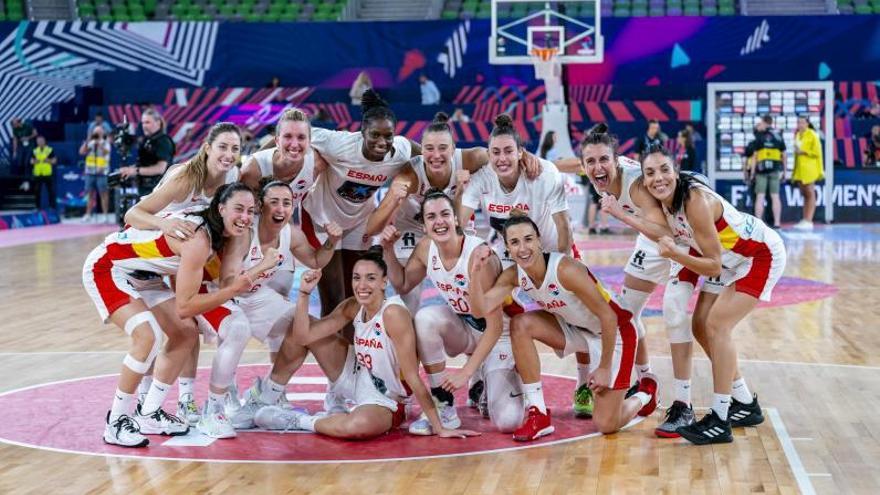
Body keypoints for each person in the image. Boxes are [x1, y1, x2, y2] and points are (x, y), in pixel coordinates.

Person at [82, 183, 277, 447]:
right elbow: (186, 306)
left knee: (185, 333)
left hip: (145, 276)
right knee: (146, 336)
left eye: (250, 211)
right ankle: (115, 422)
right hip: (108, 267)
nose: (244, 217)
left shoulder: (215, 225)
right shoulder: (198, 239)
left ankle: (149, 412)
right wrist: (234, 287)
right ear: (220, 208)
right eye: (238, 209)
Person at [635, 146, 786, 445]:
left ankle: (719, 418)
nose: (658, 177)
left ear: (676, 171)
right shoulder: (662, 197)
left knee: (717, 326)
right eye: (650, 172)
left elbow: (713, 264)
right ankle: (744, 403)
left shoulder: (695, 202)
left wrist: (676, 253)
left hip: (758, 255)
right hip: (730, 259)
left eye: (664, 169)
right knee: (700, 325)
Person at [254, 252, 481, 440]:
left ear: (384, 282)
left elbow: (412, 377)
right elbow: (303, 337)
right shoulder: (353, 306)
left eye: (370, 278)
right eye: (356, 278)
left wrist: (439, 427)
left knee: (357, 427)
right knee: (299, 326)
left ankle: (297, 420)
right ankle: (267, 397)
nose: (362, 285)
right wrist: (304, 293)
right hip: (355, 374)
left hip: (386, 397)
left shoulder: (393, 314)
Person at [468, 214, 658, 441]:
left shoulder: (565, 270)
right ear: (507, 247)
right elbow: (480, 310)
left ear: (539, 240)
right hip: (578, 328)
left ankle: (646, 390)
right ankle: (538, 413)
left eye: (528, 239)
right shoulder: (513, 275)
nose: (523, 248)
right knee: (521, 324)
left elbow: (608, 317)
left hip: (615, 331)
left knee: (606, 424)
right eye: (515, 242)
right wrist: (475, 274)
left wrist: (605, 368)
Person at [581, 124, 717, 437]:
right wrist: (529, 160)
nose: (596, 166)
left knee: (672, 310)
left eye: (604, 160)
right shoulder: (594, 165)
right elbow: (573, 163)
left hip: (681, 236)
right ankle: (646, 381)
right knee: (625, 312)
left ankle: (683, 402)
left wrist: (619, 215)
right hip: (650, 238)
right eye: (590, 161)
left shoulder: (636, 187)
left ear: (616, 160)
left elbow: (665, 233)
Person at [123, 122, 243, 427]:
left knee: (188, 327)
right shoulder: (185, 177)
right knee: (175, 328)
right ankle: (147, 401)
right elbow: (133, 215)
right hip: (149, 251)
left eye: (235, 148)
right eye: (223, 147)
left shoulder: (232, 178)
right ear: (207, 148)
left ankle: (186, 399)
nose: (229, 154)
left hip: (185, 253)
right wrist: (164, 225)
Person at [379, 190, 525, 434]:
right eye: (432, 217)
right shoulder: (426, 248)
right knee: (425, 319)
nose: (439, 222)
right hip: (467, 327)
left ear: (456, 219)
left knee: (509, 422)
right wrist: (388, 250)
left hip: (499, 335)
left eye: (445, 214)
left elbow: (496, 326)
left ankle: (486, 375)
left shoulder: (478, 256)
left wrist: (464, 373)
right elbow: (403, 284)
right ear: (424, 225)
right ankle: (443, 405)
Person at [364, 111, 539, 313]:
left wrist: (525, 155)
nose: (436, 155)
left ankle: (494, 310)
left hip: (454, 222)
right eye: (429, 149)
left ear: (454, 149)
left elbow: (505, 155)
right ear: (422, 151)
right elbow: (371, 228)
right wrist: (393, 199)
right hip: (413, 227)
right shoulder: (409, 176)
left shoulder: (472, 158)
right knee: (407, 293)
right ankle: (406, 329)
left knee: (475, 268)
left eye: (443, 148)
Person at [215, 180, 344, 429]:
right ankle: (223, 399)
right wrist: (262, 266)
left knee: (302, 326)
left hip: (255, 295)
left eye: (286, 203)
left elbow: (316, 260)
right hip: (226, 297)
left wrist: (331, 242)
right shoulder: (244, 233)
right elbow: (227, 283)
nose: (281, 208)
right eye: (274, 202)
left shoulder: (291, 234)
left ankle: (265, 397)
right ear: (261, 207)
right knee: (235, 331)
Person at [300, 90, 418, 318]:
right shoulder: (338, 143)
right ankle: (335, 352)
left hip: (359, 222)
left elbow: (426, 157)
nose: (382, 142)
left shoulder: (401, 149)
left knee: (355, 295)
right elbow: (292, 133)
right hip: (321, 218)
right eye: (375, 135)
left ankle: (355, 351)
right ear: (362, 132)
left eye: (388, 136)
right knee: (333, 296)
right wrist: (261, 163)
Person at [239, 108, 326, 211]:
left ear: (309, 141)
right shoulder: (253, 170)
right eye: (288, 136)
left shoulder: (318, 164)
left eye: (301, 137)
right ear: (276, 140)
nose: (294, 144)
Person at [120, 109, 176, 198]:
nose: (144, 126)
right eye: (143, 123)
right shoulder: (147, 140)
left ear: (158, 123)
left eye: (147, 122)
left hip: (158, 191)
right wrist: (129, 170)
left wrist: (135, 171)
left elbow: (160, 169)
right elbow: (145, 164)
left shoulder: (163, 141)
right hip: (145, 190)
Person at [745, 115, 785, 228]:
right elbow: (784, 155)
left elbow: (755, 156)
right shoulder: (778, 137)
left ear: (764, 122)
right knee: (775, 196)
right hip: (775, 170)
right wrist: (785, 172)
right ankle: (777, 223)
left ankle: (758, 224)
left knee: (760, 196)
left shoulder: (760, 136)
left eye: (761, 123)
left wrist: (752, 173)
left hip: (761, 171)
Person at [792, 116, 824, 231]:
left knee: (810, 193)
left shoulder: (812, 135)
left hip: (810, 168)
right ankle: (805, 219)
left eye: (802, 122)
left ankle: (809, 220)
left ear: (807, 124)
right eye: (799, 122)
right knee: (804, 194)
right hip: (800, 169)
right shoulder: (797, 135)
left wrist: (803, 152)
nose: (800, 125)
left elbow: (817, 152)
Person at [80, 126, 112, 223]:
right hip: (90, 172)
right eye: (95, 132)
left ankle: (105, 216)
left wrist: (99, 144)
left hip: (102, 172)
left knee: (103, 194)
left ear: (102, 133)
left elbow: (107, 152)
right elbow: (81, 152)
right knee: (89, 194)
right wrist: (87, 141)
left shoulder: (106, 143)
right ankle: (88, 214)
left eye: (98, 132)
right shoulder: (90, 143)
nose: (97, 134)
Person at [30, 135, 57, 210]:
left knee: (50, 191)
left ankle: (52, 207)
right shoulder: (35, 151)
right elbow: (31, 161)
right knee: (37, 191)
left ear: (44, 141)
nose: (40, 142)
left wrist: (48, 160)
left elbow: (54, 161)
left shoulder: (49, 150)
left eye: (41, 140)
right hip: (38, 174)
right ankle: (37, 207)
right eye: (38, 141)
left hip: (47, 173)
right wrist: (35, 161)